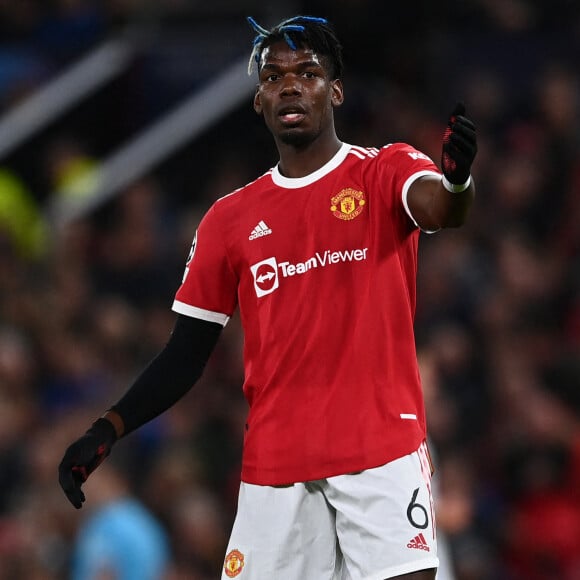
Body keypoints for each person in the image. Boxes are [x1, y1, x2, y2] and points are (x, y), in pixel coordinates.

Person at [59, 15, 477, 580]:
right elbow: (186, 353)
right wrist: (107, 428)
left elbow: (439, 210)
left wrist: (455, 182)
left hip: (379, 449)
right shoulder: (229, 221)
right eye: (274, 76)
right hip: (276, 466)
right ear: (259, 100)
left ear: (335, 91)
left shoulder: (382, 171)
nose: (289, 85)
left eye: (307, 73)